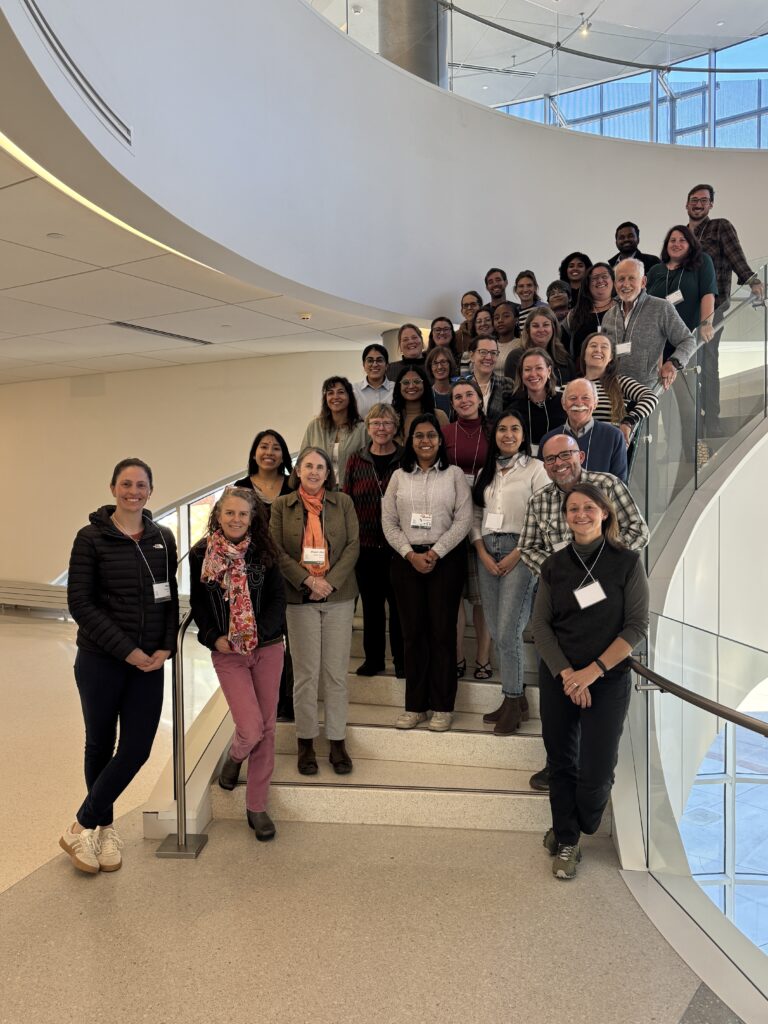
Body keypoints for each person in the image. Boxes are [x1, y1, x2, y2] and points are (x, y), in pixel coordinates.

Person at [62, 458, 179, 874]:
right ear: (113, 488)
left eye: (141, 484)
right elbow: (81, 603)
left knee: (136, 749)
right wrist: (126, 650)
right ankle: (103, 830)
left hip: (150, 664)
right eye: (126, 483)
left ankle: (81, 825)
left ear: (151, 490)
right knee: (99, 744)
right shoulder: (90, 538)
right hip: (100, 660)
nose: (134, 490)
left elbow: (170, 599)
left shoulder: (162, 537)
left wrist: (166, 647)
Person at [518, 433, 649, 793]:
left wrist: (602, 566)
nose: (559, 463)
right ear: (543, 465)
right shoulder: (541, 499)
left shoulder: (607, 485)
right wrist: (562, 573)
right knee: (557, 682)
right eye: (550, 459)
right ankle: (558, 763)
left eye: (565, 455)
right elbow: (526, 546)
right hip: (560, 597)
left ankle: (591, 773)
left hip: (605, 597)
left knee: (599, 686)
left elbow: (639, 531)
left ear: (581, 454)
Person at [533, 483, 649, 879]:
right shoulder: (554, 565)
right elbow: (541, 627)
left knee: (598, 771)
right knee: (561, 762)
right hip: (559, 676)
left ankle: (575, 822)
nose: (579, 514)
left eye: (587, 508)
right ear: (565, 517)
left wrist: (591, 673)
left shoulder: (627, 562)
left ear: (604, 512)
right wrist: (568, 675)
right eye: (572, 509)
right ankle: (567, 839)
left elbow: (636, 626)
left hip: (607, 677)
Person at [189, 487, 285, 842]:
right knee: (250, 727)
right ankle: (235, 756)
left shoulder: (265, 551)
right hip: (227, 652)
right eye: (229, 513)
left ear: (252, 518)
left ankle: (257, 806)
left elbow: (277, 598)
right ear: (218, 515)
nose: (236, 520)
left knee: (268, 728)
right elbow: (199, 606)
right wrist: (214, 636)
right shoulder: (202, 554)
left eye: (243, 514)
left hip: (268, 648)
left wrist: (261, 633)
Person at [270, 447, 359, 776]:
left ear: (327, 473)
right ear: (298, 471)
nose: (313, 471)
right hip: (299, 596)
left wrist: (329, 582)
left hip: (338, 596)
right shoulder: (282, 505)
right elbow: (275, 549)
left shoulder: (343, 502)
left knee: (335, 675)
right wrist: (307, 580)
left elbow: (353, 546)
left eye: (320, 467)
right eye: (308, 465)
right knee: (306, 676)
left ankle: (337, 741)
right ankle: (305, 741)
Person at [382, 414, 472, 732]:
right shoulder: (398, 477)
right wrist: (410, 553)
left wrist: (435, 552)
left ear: (439, 440)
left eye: (431, 435)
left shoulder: (455, 475)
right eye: (418, 436)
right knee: (412, 634)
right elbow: (389, 521)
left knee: (442, 634)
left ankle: (442, 706)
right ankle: (415, 706)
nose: (425, 441)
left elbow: (464, 519)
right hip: (406, 562)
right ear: (410, 441)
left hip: (445, 560)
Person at [471, 411, 548, 735]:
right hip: (487, 551)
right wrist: (481, 551)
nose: (508, 434)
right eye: (502, 429)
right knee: (494, 624)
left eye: (515, 428)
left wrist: (518, 553)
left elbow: (543, 515)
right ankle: (514, 700)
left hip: (522, 551)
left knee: (507, 631)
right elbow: (475, 513)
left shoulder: (536, 468)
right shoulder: (484, 471)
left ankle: (514, 699)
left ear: (523, 434)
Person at [686, 184, 764, 437]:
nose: (698, 204)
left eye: (703, 200)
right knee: (687, 366)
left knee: (708, 363)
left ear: (711, 205)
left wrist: (752, 281)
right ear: (686, 204)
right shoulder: (682, 235)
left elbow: (735, 256)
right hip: (683, 311)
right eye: (694, 200)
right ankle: (692, 424)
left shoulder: (720, 226)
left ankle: (712, 421)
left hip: (712, 309)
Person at [234, 429, 295, 721]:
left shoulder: (293, 484)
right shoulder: (240, 487)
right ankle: (261, 700)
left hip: (289, 570)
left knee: (289, 640)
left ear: (284, 454)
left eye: (275, 447)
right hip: (252, 574)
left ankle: (288, 701)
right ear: (254, 453)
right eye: (263, 447)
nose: (269, 452)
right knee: (263, 637)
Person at [343, 404, 405, 678]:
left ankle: (402, 661)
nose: (381, 428)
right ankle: (374, 659)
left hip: (399, 547)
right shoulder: (356, 460)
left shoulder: (406, 458)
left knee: (400, 608)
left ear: (396, 427)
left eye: (387, 423)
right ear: (368, 428)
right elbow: (346, 501)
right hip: (365, 547)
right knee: (371, 607)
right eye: (376, 423)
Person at [443, 379, 492, 679]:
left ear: (479, 398)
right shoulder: (445, 433)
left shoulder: (494, 430)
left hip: (485, 516)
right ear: (452, 403)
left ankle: (483, 658)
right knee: (454, 594)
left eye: (469, 394)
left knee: (482, 596)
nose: (464, 400)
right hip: (449, 518)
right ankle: (458, 656)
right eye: (458, 397)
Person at [600, 258, 696, 390]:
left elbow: (688, 340)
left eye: (631, 278)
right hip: (613, 391)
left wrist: (673, 363)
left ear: (643, 282)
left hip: (645, 393)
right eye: (621, 279)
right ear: (615, 284)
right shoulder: (609, 315)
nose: (625, 284)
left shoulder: (661, 308)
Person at [646, 225, 717, 356]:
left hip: (688, 339)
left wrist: (707, 323)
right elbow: (644, 303)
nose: (676, 244)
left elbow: (708, 294)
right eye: (672, 240)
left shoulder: (702, 261)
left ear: (691, 244)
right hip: (657, 342)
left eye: (682, 240)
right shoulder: (655, 270)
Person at [540, 378, 628, 481]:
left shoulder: (614, 436)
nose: (579, 403)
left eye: (585, 398)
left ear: (595, 403)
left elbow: (620, 483)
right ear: (563, 404)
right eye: (573, 398)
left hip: (600, 496)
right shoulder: (549, 439)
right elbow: (543, 481)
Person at [579, 333, 658, 445]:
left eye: (604, 347)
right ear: (584, 354)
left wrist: (629, 422)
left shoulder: (620, 382)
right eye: (593, 346)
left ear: (611, 357)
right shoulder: (571, 387)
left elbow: (651, 397)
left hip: (611, 448)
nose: (598, 350)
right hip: (577, 449)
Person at [300, 376, 366, 487]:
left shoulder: (362, 429)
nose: (335, 397)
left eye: (341, 392)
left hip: (353, 492)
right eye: (330, 393)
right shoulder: (314, 426)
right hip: (319, 491)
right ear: (325, 398)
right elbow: (303, 460)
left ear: (349, 397)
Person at [508, 348, 567, 453]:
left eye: (539, 368)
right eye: (527, 369)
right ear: (521, 374)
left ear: (548, 371)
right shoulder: (514, 410)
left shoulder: (564, 403)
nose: (533, 374)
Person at [504, 306, 575, 388]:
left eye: (546, 325)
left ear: (554, 328)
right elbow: (513, 393)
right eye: (535, 326)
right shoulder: (516, 357)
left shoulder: (565, 358)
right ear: (528, 330)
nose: (541, 330)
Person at [565, 262, 616, 360]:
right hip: (584, 372)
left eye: (604, 276)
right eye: (595, 278)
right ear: (588, 284)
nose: (600, 280)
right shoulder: (574, 314)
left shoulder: (624, 309)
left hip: (619, 371)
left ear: (613, 280)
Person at [392, 364, 449, 441]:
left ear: (424, 384)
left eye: (417, 381)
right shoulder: (391, 417)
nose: (411, 386)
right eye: (405, 382)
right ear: (399, 387)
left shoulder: (439, 416)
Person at [467, 336, 515, 421]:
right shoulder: (461, 385)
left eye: (493, 353)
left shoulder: (507, 384)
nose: (489, 357)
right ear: (471, 356)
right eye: (483, 352)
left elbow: (512, 418)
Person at [352, 343, 395, 416]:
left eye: (379, 360)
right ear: (364, 365)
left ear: (387, 365)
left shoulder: (396, 388)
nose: (375, 364)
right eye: (370, 360)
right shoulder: (354, 390)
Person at [425, 346, 458, 420]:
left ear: (450, 364)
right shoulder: (426, 395)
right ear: (430, 367)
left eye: (443, 362)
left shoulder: (459, 392)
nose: (439, 367)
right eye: (435, 363)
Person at [513, 270, 545, 336]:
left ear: (535, 288)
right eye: (521, 286)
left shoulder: (544, 309)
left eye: (529, 285)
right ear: (516, 289)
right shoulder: (514, 314)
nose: (525, 289)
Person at [492, 300, 520, 372]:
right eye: (496, 318)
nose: (500, 320)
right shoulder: (490, 345)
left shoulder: (522, 344)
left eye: (506, 316)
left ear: (516, 320)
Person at [456, 290, 483, 361]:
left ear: (480, 308)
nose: (469, 308)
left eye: (473, 304)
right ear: (462, 311)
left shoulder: (489, 331)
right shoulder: (456, 336)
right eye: (465, 305)